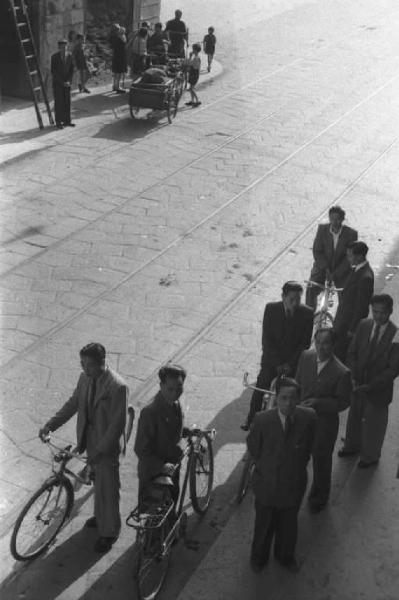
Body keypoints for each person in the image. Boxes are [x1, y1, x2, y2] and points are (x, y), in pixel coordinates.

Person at [39, 343, 129, 553]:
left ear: (102, 363)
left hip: (106, 447)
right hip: (90, 441)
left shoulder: (118, 386)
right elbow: (73, 404)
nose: (84, 368)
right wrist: (50, 425)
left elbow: (117, 424)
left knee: (109, 488)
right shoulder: (84, 378)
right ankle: (100, 518)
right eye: (82, 363)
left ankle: (110, 532)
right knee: (99, 484)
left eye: (88, 365)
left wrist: (100, 450)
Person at [247, 377, 316, 573]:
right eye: (284, 398)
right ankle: (258, 559)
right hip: (267, 485)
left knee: (288, 527)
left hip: (293, 484)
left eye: (293, 398)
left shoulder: (309, 417)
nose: (288, 403)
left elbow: (308, 447)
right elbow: (253, 447)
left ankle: (285, 557)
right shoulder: (262, 420)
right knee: (264, 527)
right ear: (276, 399)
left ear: (299, 399)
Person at [241, 281, 314, 431]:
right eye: (291, 299)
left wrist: (290, 365)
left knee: (293, 392)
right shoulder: (271, 309)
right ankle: (251, 419)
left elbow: (304, 344)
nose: (294, 304)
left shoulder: (307, 313)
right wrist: (277, 364)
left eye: (298, 300)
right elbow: (267, 340)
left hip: (293, 364)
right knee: (261, 386)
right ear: (283, 297)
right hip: (272, 361)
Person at [338, 294, 399, 468]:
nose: (378, 316)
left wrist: (371, 386)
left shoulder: (396, 335)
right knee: (355, 417)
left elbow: (393, 369)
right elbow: (352, 352)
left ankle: (370, 456)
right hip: (358, 384)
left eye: (382, 313)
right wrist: (353, 375)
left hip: (378, 389)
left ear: (390, 312)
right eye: (375, 312)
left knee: (374, 424)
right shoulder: (364, 325)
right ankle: (351, 445)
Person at [295, 328, 352, 512]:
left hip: (324, 425)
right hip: (301, 418)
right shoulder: (306, 357)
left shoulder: (342, 372)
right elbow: (297, 383)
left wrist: (319, 403)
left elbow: (343, 402)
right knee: (297, 456)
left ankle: (319, 497)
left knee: (321, 461)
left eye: (326, 343)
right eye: (318, 342)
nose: (321, 347)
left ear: (333, 345)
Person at [134, 364, 187, 509]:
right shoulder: (150, 412)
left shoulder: (176, 404)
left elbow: (172, 430)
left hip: (172, 467)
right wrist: (161, 466)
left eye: (179, 388)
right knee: (154, 515)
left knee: (171, 505)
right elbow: (140, 449)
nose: (175, 393)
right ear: (161, 385)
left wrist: (186, 431)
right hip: (154, 473)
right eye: (170, 389)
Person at [305, 206, 358, 310]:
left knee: (346, 295)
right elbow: (317, 251)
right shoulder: (322, 229)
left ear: (342, 219)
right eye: (332, 218)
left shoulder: (351, 234)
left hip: (342, 270)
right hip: (322, 267)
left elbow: (350, 257)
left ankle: (342, 320)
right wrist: (326, 269)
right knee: (311, 289)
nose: (334, 222)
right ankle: (308, 316)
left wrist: (336, 273)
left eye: (337, 219)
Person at [333, 241, 374, 362]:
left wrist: (353, 328)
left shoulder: (365, 277)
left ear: (360, 256)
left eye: (350, 255)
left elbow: (361, 307)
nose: (348, 258)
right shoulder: (357, 269)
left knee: (340, 355)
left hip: (347, 326)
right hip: (342, 322)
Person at [51, 39, 74, 129]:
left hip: (67, 83)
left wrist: (68, 81)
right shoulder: (54, 57)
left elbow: (72, 69)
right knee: (59, 103)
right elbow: (54, 72)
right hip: (58, 84)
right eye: (62, 47)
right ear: (59, 47)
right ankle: (58, 122)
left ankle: (67, 121)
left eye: (65, 46)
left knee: (67, 102)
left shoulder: (70, 55)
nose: (64, 48)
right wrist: (62, 82)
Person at [109, 23, 127, 93]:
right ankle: (117, 87)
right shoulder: (119, 37)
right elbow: (124, 44)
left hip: (116, 55)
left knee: (116, 72)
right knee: (118, 72)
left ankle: (115, 86)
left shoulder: (113, 37)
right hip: (120, 56)